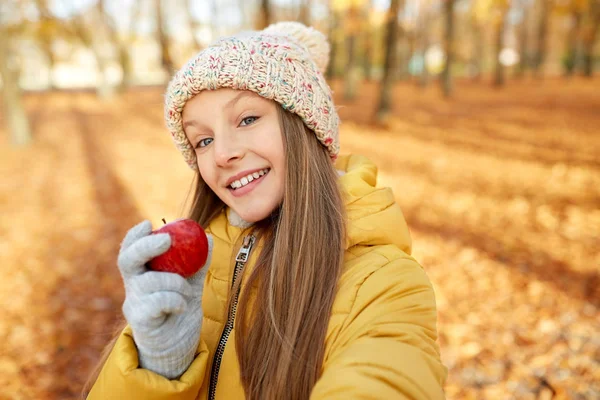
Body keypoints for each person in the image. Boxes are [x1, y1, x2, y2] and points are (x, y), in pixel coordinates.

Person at [84, 21, 447, 400]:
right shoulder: (193, 276)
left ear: (305, 125)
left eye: (248, 119)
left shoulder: (384, 284)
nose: (223, 153)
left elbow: (387, 377)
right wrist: (157, 364)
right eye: (203, 140)